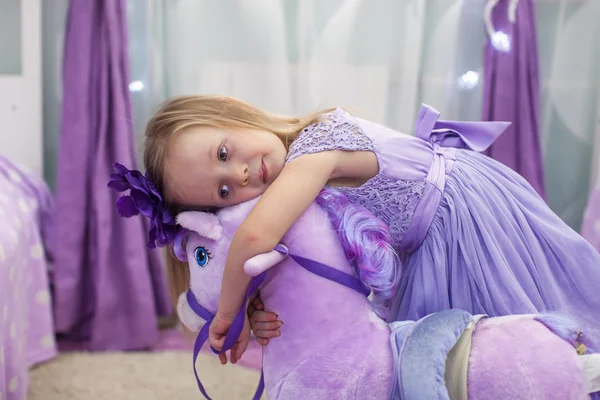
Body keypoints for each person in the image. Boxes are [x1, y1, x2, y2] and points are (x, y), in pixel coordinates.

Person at [141, 94, 600, 362]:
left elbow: (255, 237)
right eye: (222, 193)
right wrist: (264, 309)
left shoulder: (318, 144)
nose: (238, 176)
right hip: (427, 246)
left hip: (464, 219)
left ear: (235, 116)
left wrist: (229, 313)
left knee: (523, 324)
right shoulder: (296, 188)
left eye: (224, 154)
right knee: (444, 358)